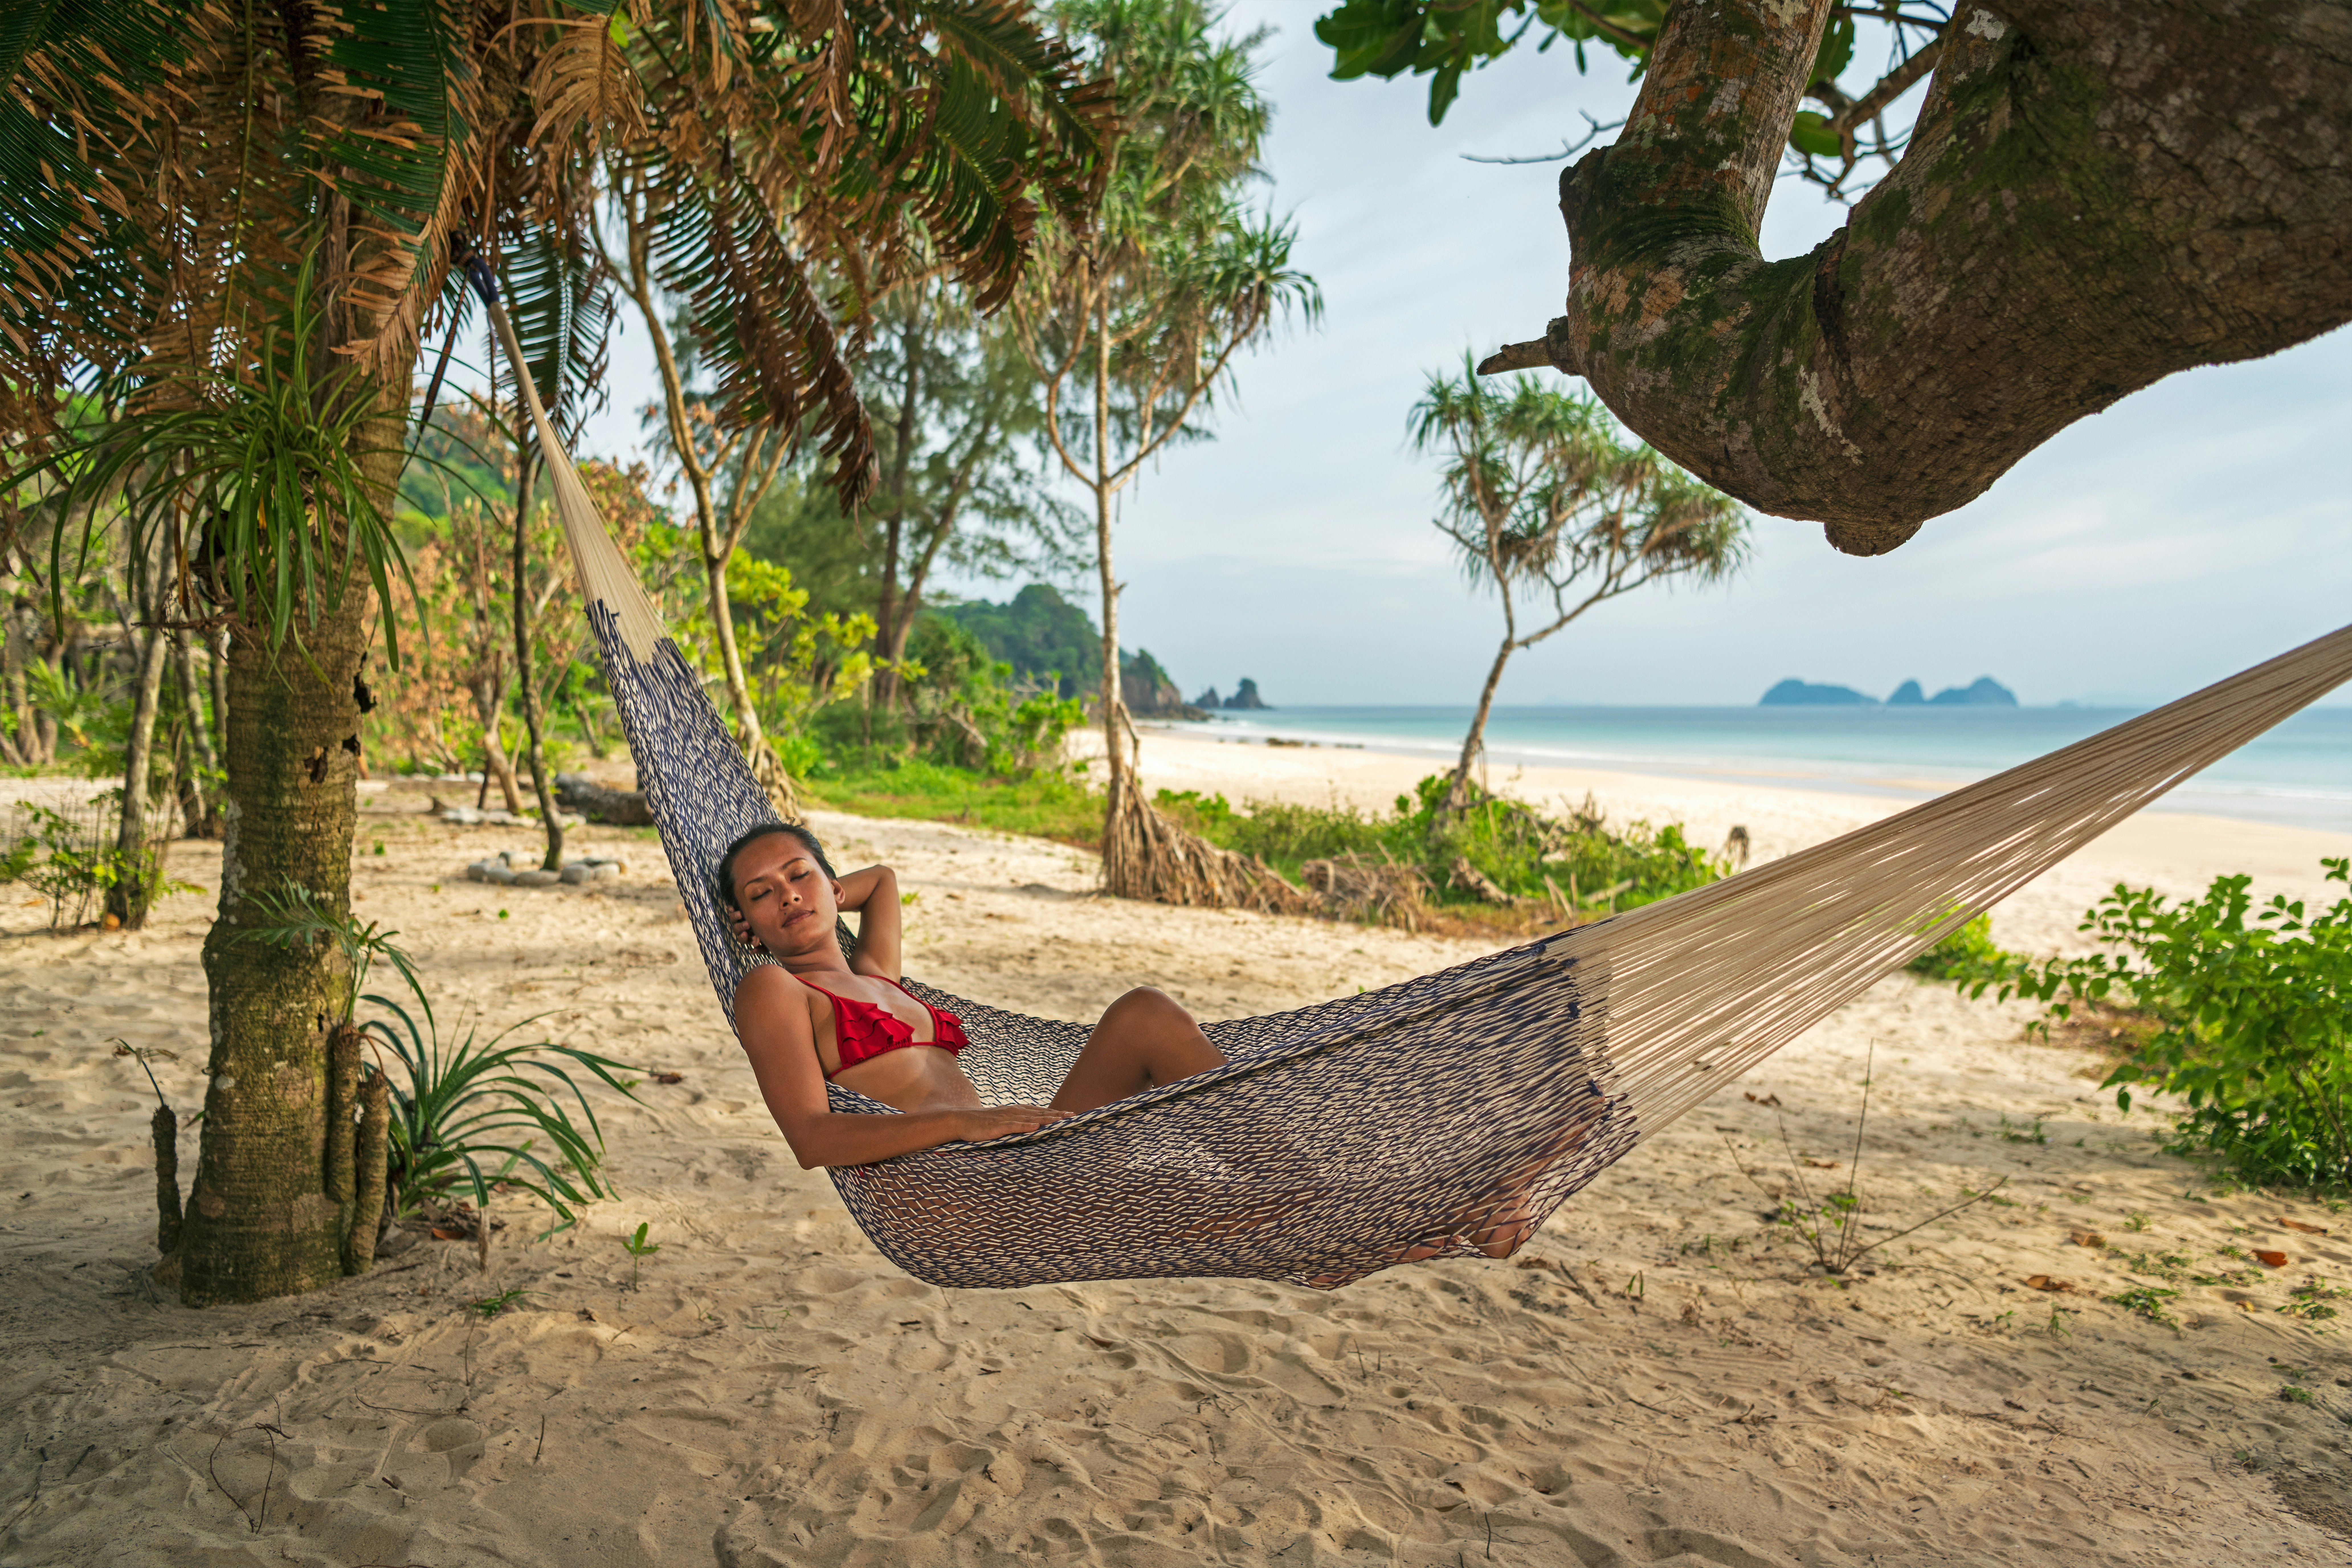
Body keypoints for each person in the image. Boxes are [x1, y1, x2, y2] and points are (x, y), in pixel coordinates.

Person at [721, 822, 1227, 1170]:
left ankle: (1299, 1206)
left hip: (1012, 1163)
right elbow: (811, 1139)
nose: (787, 895)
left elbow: (881, 881)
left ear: (834, 889)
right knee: (1147, 1017)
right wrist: (963, 1123)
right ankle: (1300, 1209)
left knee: (1145, 1011)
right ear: (747, 923)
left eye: (798, 874)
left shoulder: (876, 977)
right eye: (760, 894)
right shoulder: (774, 988)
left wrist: (821, 896)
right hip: (961, 1187)